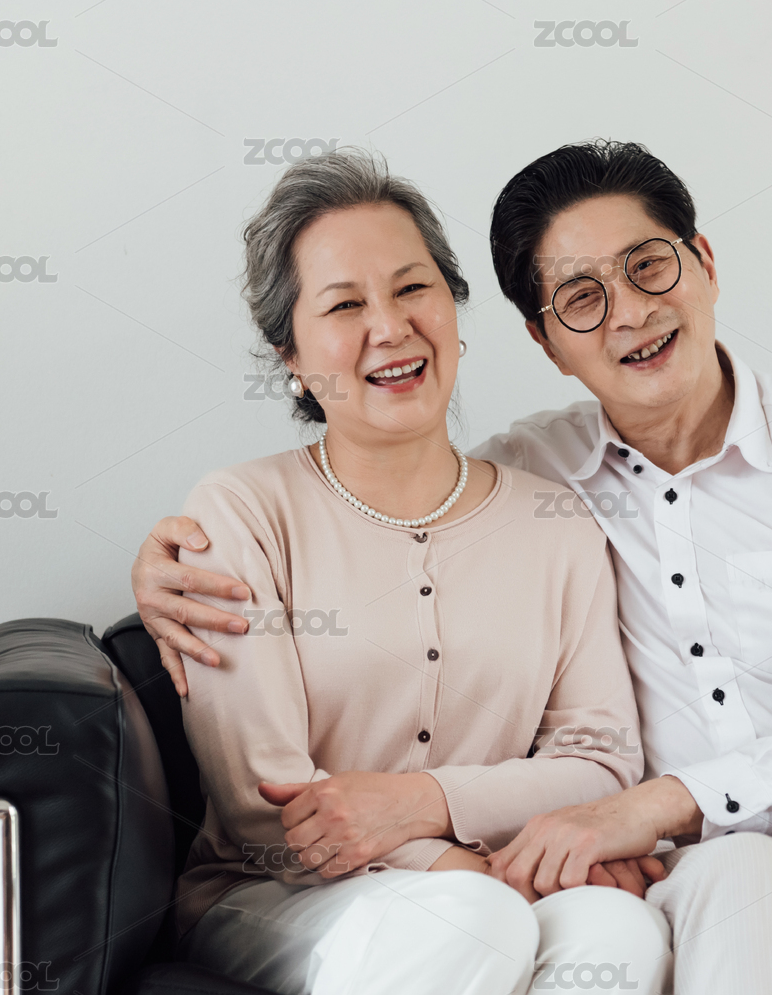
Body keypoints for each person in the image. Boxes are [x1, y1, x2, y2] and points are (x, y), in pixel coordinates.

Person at [137, 141, 772, 995]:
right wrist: (165, 566)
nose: (629, 312)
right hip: (701, 868)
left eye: (649, 266)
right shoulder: (539, 479)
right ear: (546, 340)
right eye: (582, 297)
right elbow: (402, 494)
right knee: (729, 879)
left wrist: (642, 806)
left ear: (705, 263)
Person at [166, 148, 671, 995]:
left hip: (491, 882)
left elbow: (601, 760)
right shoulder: (241, 512)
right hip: (281, 894)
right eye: (345, 304)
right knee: (471, 918)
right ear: (291, 353)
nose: (391, 326)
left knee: (619, 929)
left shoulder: (555, 521)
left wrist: (438, 815)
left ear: (453, 307)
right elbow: (264, 799)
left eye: (412, 288)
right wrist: (467, 869)